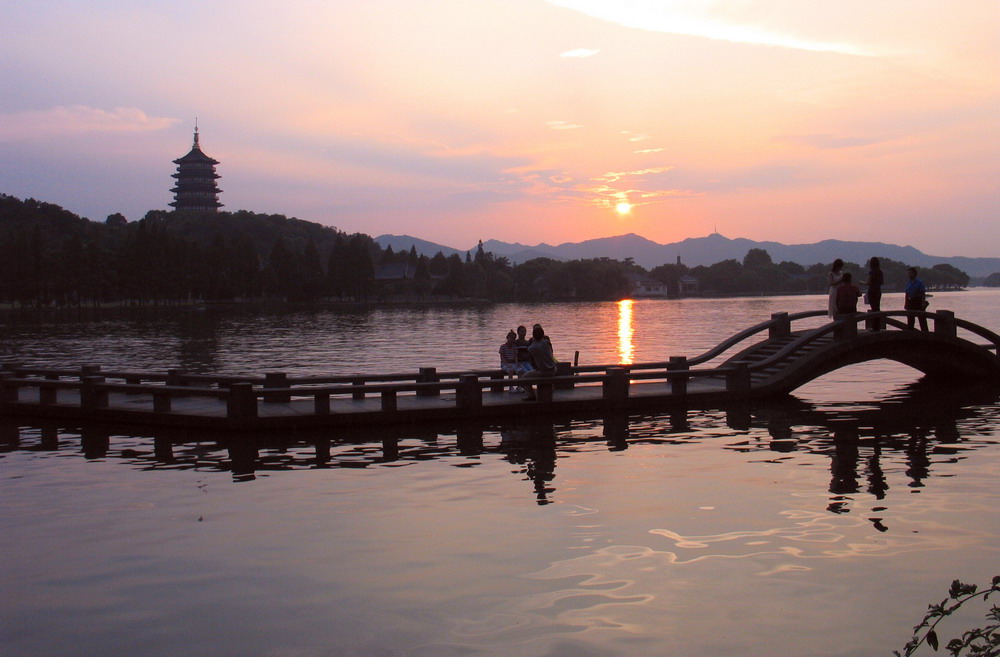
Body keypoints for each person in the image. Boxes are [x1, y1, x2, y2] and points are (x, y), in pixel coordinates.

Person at [519, 325, 557, 401]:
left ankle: (531, 395)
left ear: (533, 336)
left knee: (524, 377)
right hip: (553, 369)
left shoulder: (532, 347)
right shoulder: (547, 343)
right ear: (543, 335)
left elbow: (529, 358)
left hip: (544, 372)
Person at [904, 267, 929, 331]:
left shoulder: (920, 282)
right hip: (911, 301)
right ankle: (910, 333)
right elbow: (907, 294)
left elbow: (922, 293)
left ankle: (925, 333)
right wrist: (906, 303)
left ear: (915, 274)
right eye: (908, 273)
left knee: (922, 319)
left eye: (910, 273)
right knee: (910, 319)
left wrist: (923, 303)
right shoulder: (908, 283)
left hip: (918, 301)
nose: (909, 275)